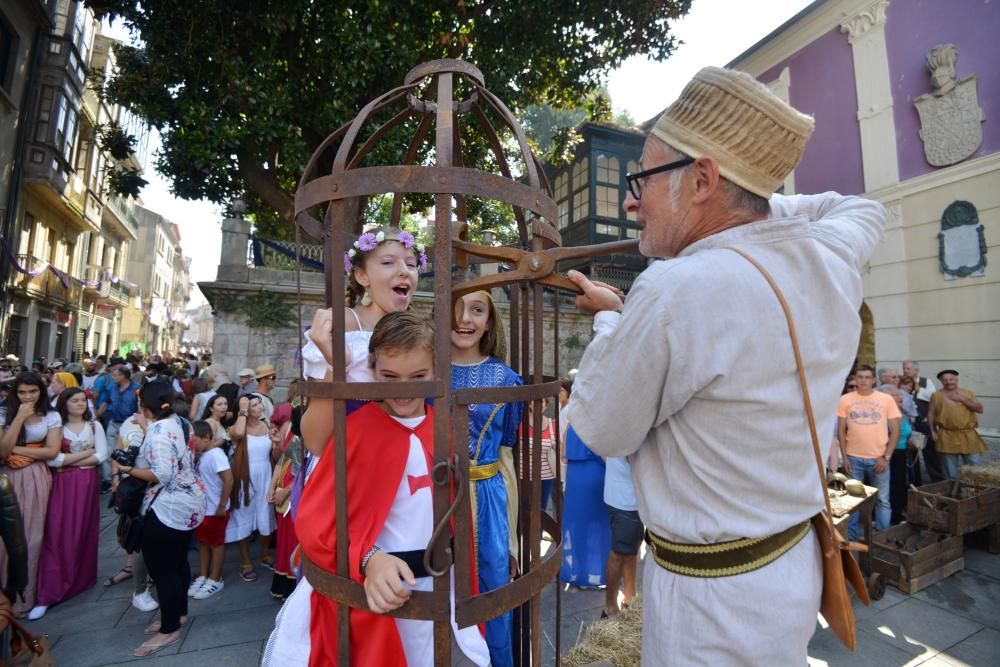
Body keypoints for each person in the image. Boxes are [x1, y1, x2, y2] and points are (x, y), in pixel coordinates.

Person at [563, 66, 886, 664]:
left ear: (704, 178)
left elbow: (600, 426)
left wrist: (610, 318)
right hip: (791, 568)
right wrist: (753, 204)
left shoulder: (673, 288)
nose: (631, 201)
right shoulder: (834, 256)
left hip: (709, 604)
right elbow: (857, 207)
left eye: (643, 178)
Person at [263, 228, 430, 666]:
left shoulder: (414, 328)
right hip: (353, 472)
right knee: (350, 581)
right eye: (389, 262)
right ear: (359, 274)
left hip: (404, 474)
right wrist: (335, 367)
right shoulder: (340, 326)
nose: (405, 272)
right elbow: (316, 438)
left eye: (411, 264)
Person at [287, 312, 490, 666]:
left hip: (439, 585)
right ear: (373, 369)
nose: (403, 389)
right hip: (378, 593)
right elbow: (315, 522)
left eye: (418, 377)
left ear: (436, 371)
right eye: (390, 377)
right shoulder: (356, 432)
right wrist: (367, 558)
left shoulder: (444, 428)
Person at [450, 290, 522, 667]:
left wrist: (511, 538)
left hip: (488, 500)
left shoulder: (507, 380)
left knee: (492, 591)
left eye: (476, 310)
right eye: (456, 308)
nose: (465, 319)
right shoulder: (423, 371)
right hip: (434, 496)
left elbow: (506, 457)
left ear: (490, 321)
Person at [116, 382, 206, 657]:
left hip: (166, 506)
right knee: (177, 561)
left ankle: (169, 629)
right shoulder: (180, 421)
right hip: (189, 499)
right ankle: (177, 613)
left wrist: (128, 468)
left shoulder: (157, 432)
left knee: (162, 568)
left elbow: (162, 473)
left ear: (144, 407)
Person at [29, 387, 110, 619]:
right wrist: (84, 456)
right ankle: (49, 591)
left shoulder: (95, 425)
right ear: (64, 403)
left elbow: (102, 455)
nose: (80, 404)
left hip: (85, 484)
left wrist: (69, 461)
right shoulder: (56, 426)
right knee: (56, 533)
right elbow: (53, 460)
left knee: (82, 531)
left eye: (83, 400)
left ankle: (78, 579)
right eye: (75, 400)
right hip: (62, 484)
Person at [0, 372, 61, 617]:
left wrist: (18, 449)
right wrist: (19, 420)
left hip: (36, 477)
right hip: (8, 477)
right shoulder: (4, 414)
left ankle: (24, 599)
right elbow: (3, 452)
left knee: (32, 536)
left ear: (41, 392)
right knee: (5, 541)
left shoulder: (52, 415)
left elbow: (52, 451)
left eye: (33, 392)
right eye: (22, 392)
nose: (27, 397)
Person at [838, 366, 900, 538]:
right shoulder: (845, 399)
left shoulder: (886, 399)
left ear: (873, 380)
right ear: (855, 379)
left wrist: (886, 457)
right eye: (860, 377)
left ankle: (883, 538)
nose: (863, 380)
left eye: (867, 377)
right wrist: (844, 457)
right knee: (853, 500)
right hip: (853, 458)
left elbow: (895, 430)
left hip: (879, 459)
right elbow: (841, 430)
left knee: (882, 500)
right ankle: (851, 538)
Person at [226, 393, 275, 581]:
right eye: (255, 405)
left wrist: (276, 442)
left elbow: (275, 453)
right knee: (244, 516)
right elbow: (238, 434)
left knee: (266, 514)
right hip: (244, 478)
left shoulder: (267, 425)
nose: (260, 407)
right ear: (244, 409)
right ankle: (245, 561)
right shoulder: (236, 428)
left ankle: (264, 554)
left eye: (260, 404)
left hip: (265, 474)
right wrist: (243, 410)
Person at [559, 422, 610, 588]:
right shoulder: (598, 422)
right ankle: (601, 573)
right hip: (596, 473)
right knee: (602, 526)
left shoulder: (571, 424)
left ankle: (579, 573)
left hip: (575, 476)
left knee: (578, 527)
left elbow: (563, 453)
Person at [190, 420, 233, 600]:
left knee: (216, 544)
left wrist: (222, 505)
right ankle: (203, 575)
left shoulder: (216, 455)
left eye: (196, 440)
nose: (193, 445)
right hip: (203, 509)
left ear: (207, 437)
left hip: (215, 509)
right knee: (203, 543)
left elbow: (228, 479)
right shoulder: (203, 455)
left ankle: (215, 578)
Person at [603, 455, 642, 619]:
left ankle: (629, 601)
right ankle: (610, 608)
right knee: (620, 553)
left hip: (626, 495)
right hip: (626, 497)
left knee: (630, 551)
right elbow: (632, 456)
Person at [267, 403, 300, 600]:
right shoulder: (294, 437)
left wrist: (286, 491)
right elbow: (281, 461)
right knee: (286, 541)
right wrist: (272, 488)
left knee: (293, 540)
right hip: (286, 494)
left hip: (294, 495)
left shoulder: (306, 438)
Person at [929, 370, 987, 480]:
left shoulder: (968, 393)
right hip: (946, 434)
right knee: (950, 470)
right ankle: (954, 493)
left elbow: (980, 409)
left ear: (956, 380)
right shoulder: (936, 396)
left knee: (974, 465)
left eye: (951, 379)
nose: (948, 382)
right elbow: (931, 413)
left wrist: (962, 399)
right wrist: (932, 430)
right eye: (945, 380)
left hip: (968, 434)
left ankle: (976, 492)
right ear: (941, 382)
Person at [518, 396, 556, 512]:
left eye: (542, 401)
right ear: (529, 404)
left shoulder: (553, 424)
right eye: (534, 401)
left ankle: (538, 531)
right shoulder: (521, 424)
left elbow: (560, 448)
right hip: (524, 475)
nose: (538, 404)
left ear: (546, 405)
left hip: (546, 476)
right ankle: (526, 531)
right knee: (524, 509)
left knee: (541, 509)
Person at [881, 385, 913, 525]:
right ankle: (890, 518)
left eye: (900, 395)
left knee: (900, 484)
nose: (900, 397)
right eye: (896, 395)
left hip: (902, 452)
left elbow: (905, 432)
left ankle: (897, 514)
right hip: (887, 453)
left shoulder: (902, 412)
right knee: (890, 486)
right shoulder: (882, 415)